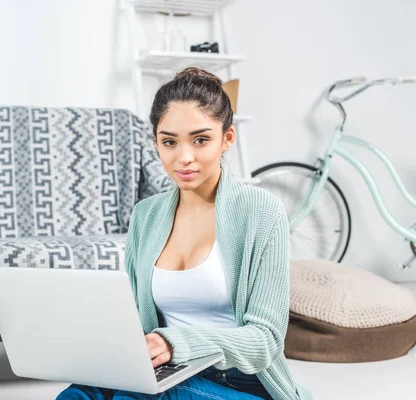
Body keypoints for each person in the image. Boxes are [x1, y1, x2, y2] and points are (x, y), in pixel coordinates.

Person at [57, 67, 309, 399]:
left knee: (144, 396)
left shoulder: (261, 212)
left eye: (201, 139)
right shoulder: (145, 216)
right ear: (156, 142)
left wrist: (177, 343)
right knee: (78, 394)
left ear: (227, 139)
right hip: (168, 370)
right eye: (169, 142)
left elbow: (266, 340)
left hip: (240, 382)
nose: (183, 158)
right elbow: (136, 320)